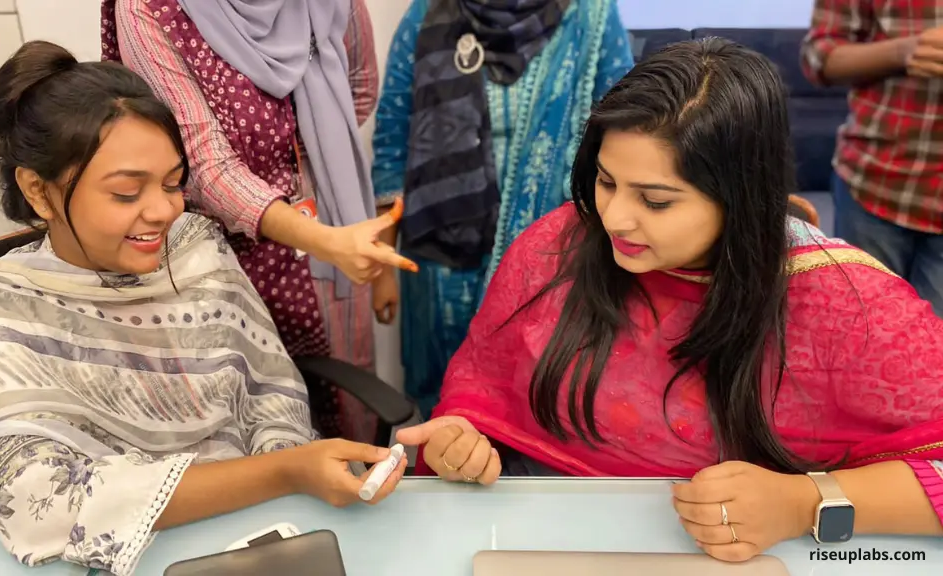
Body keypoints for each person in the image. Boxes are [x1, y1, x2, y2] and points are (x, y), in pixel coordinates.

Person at [396, 38, 943, 562]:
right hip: (545, 526)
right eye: (606, 182)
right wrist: (461, 439)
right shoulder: (557, 247)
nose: (613, 219)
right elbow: (481, 390)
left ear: (742, 200)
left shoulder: (849, 307)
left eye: (655, 201)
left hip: (730, 548)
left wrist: (804, 503)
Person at [0, 41, 405, 575]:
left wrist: (288, 487)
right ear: (39, 191)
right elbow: (42, 506)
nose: (164, 210)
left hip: (255, 530)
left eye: (172, 183)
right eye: (126, 193)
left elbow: (269, 391)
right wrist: (286, 473)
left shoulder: (197, 247)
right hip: (115, 555)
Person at [101, 0, 414, 373]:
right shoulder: (151, 8)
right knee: (252, 401)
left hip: (332, 242)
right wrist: (322, 238)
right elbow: (203, 162)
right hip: (228, 267)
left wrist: (304, 157)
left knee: (346, 404)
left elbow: (358, 91)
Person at [371, 0, 635, 418]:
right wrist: (382, 266)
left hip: (548, 258)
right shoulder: (429, 11)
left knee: (534, 401)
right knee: (442, 405)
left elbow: (623, 130)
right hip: (441, 255)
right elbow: (392, 133)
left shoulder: (590, 16)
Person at [801, 1, 943, 317]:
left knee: (933, 357)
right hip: (874, 183)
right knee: (857, 331)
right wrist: (903, 51)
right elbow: (818, 56)